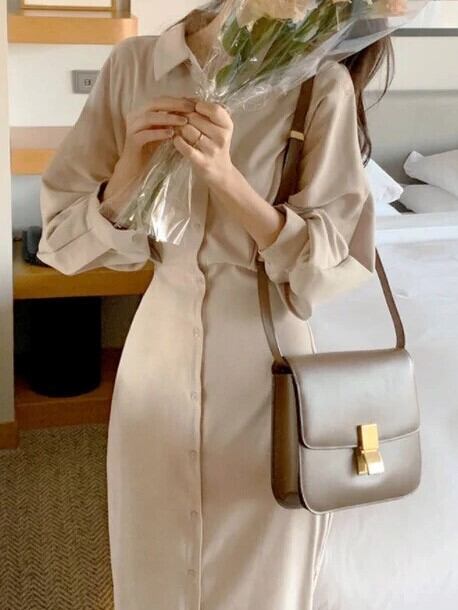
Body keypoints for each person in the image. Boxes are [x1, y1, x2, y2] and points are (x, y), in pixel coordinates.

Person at [37, 1, 394, 608]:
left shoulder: (319, 84)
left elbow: (332, 267)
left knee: (261, 580)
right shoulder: (134, 67)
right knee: (152, 563)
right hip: (157, 359)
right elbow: (60, 242)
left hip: (269, 368)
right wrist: (129, 174)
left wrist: (226, 178)